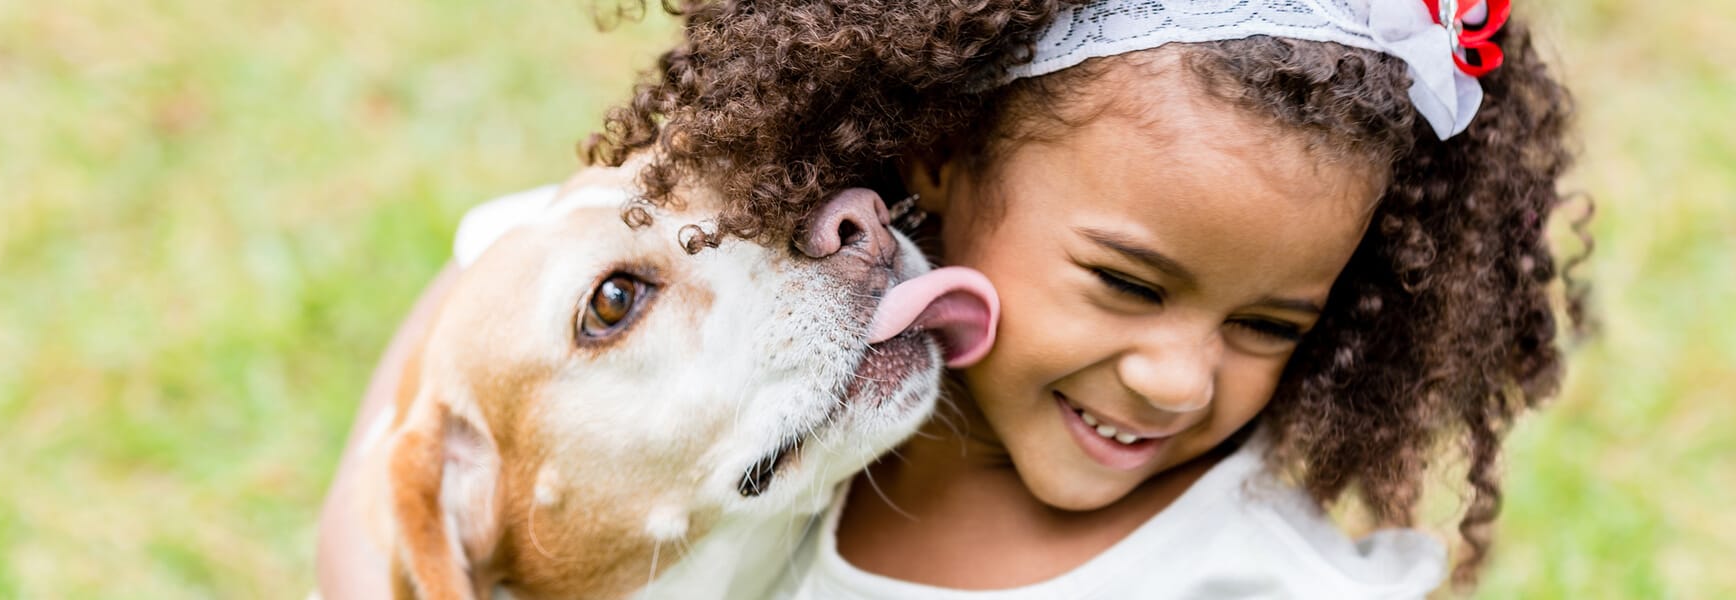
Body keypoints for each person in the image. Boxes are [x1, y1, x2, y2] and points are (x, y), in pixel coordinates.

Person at [318, 0, 1585, 597]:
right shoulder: (848, 244)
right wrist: (387, 539)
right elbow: (479, 294)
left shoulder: (1228, 574)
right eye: (618, 303)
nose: (1176, 378)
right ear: (937, 154)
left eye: (1271, 324)